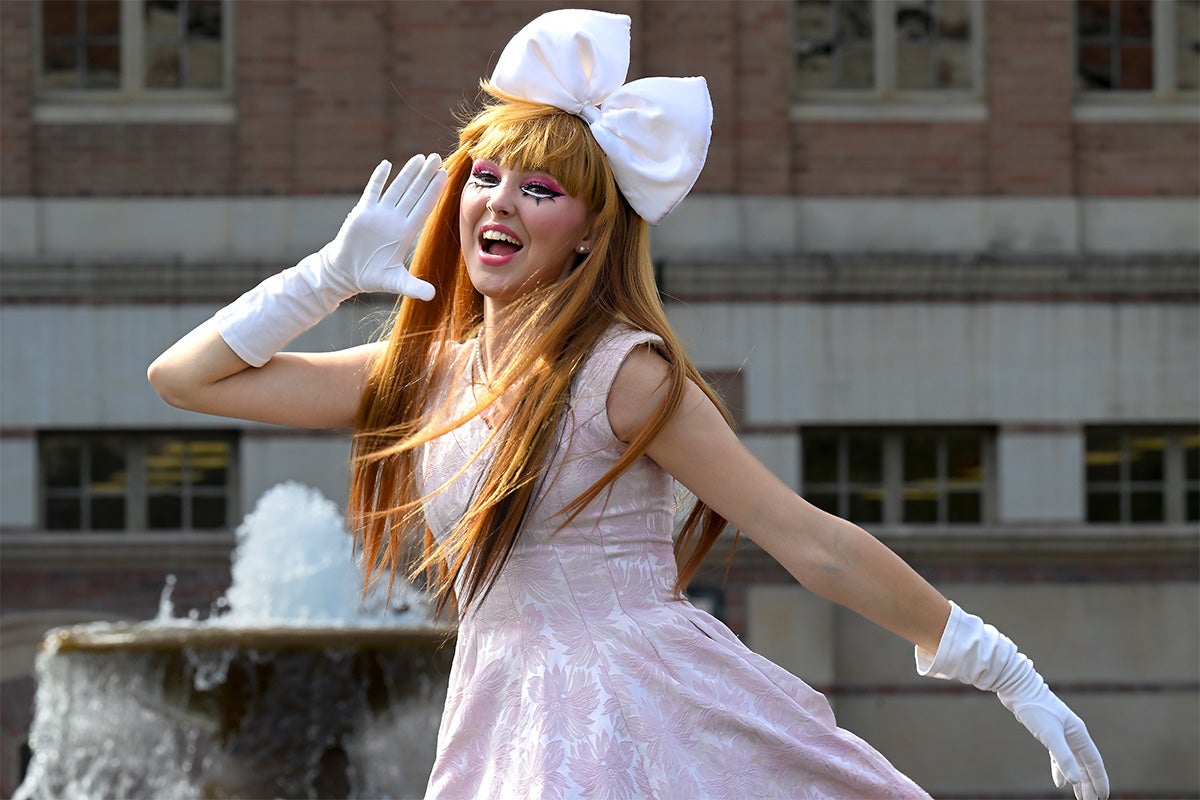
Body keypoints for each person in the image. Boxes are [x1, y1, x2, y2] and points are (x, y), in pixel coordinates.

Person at [148, 9, 1109, 800]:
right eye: (485, 177)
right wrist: (326, 278)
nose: (499, 205)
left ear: (586, 236)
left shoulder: (624, 372)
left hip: (646, 713)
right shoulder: (427, 373)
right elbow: (186, 380)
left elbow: (806, 537)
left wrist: (999, 666)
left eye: (539, 189)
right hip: (500, 711)